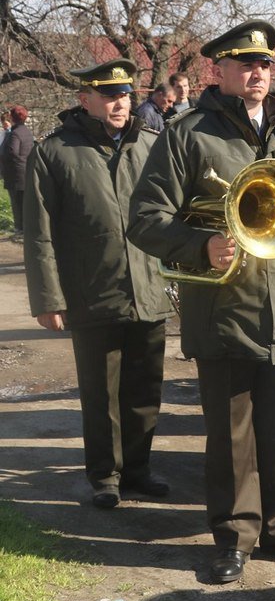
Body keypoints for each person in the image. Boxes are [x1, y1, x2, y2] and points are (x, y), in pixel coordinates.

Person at [127, 20, 275, 584]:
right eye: (246, 64)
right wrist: (199, 245)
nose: (258, 73)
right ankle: (234, 538)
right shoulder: (188, 133)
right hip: (225, 313)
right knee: (232, 439)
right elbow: (144, 218)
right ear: (220, 70)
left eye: (265, 64)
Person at [23, 59, 174, 508]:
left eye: (125, 94)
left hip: (148, 288)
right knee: (101, 391)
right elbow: (39, 233)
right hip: (91, 290)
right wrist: (48, 298)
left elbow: (172, 213)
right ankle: (105, 474)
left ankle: (139, 468)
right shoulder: (54, 152)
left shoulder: (151, 144)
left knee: (145, 387)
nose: (120, 103)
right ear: (84, 99)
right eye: (109, 95)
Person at [2, 105, 32, 236]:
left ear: (12, 118)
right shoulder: (26, 131)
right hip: (26, 170)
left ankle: (20, 229)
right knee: (24, 202)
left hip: (15, 173)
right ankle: (25, 228)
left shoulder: (15, 133)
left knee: (17, 202)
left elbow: (12, 152)